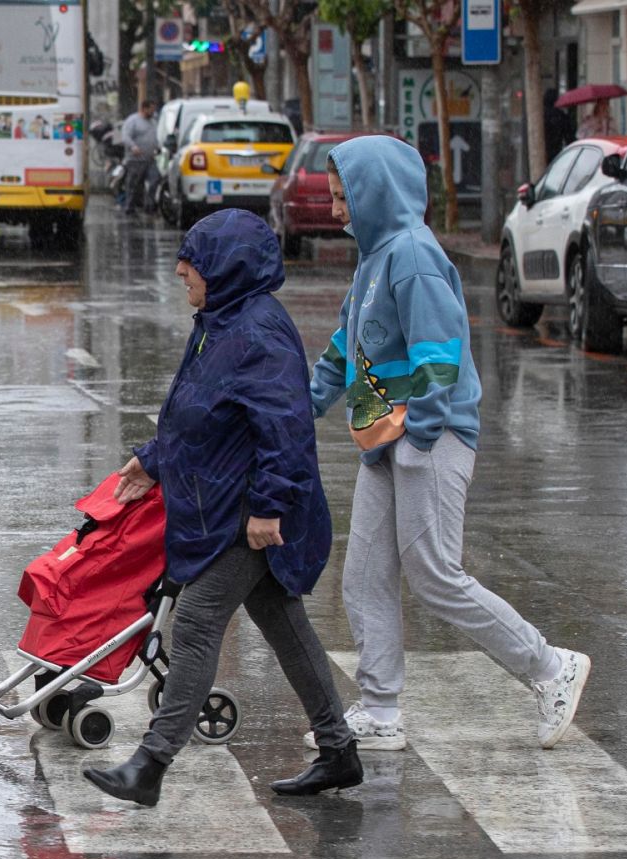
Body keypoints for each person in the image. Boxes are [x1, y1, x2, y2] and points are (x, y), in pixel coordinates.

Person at [310, 136, 591, 753]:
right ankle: (381, 711)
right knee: (363, 577)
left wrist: (422, 433)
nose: (336, 211)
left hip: (426, 439)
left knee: (435, 574)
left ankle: (551, 668)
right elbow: (345, 346)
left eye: (343, 198)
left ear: (374, 193)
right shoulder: (373, 259)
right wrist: (301, 406)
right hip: (386, 441)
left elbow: (439, 349)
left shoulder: (411, 256)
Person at [83, 209, 359, 808]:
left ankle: (150, 765)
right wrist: (152, 459)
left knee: (199, 622)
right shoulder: (218, 321)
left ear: (226, 266)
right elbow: (201, 413)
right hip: (229, 504)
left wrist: (268, 508)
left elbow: (286, 430)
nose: (182, 268)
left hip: (248, 512)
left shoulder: (256, 332)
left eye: (195, 261)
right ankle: (339, 752)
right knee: (287, 628)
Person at [119, 100, 159, 215]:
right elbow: (126, 137)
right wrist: (133, 147)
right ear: (144, 108)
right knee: (134, 185)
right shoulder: (133, 121)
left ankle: (149, 206)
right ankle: (130, 207)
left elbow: (155, 137)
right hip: (135, 160)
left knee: (154, 181)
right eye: (151, 109)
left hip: (150, 159)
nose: (153, 111)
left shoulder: (153, 121)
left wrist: (157, 147)